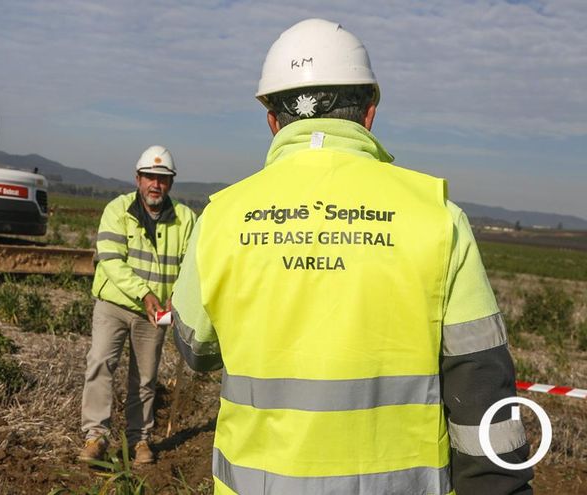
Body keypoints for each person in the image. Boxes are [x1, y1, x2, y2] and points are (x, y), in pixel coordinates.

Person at [170, 18, 532, 495]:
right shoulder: (438, 219)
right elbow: (481, 382)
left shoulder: (221, 218)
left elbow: (195, 350)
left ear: (272, 120)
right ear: (369, 113)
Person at [79, 145, 196, 465]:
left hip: (155, 312)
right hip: (114, 304)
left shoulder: (185, 219)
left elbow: (191, 265)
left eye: (162, 178)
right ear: (138, 179)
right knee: (100, 363)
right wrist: (144, 293)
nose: (155, 184)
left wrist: (178, 296)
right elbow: (111, 261)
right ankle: (95, 436)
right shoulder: (117, 210)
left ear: (170, 183)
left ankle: (139, 440)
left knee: (145, 377)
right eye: (149, 177)